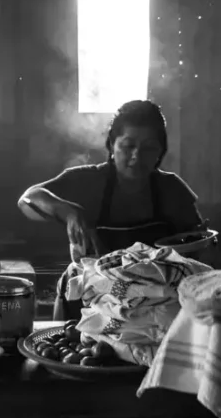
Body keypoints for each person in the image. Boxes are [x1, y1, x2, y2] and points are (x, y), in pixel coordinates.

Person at [16, 100, 205, 320]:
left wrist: (198, 240)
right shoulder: (89, 180)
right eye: (128, 146)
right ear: (112, 145)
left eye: (148, 148)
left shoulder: (171, 189)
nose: (136, 156)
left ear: (160, 151)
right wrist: (69, 212)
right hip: (89, 300)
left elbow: (195, 248)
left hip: (153, 306)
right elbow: (28, 198)